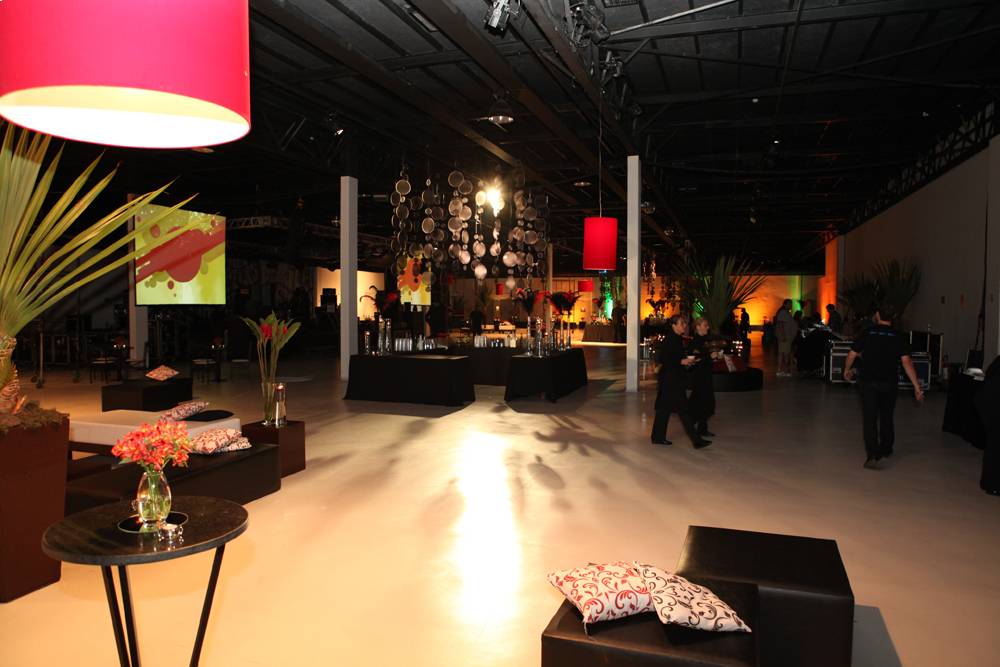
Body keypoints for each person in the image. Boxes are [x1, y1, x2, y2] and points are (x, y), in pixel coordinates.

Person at [843, 305, 924, 469]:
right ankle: (886, 448)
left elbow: (852, 353)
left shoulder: (868, 332)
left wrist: (847, 369)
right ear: (892, 317)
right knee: (887, 416)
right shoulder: (898, 336)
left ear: (878, 315)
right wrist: (916, 386)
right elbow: (907, 362)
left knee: (870, 418)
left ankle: (872, 455)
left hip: (868, 382)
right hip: (889, 383)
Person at [651, 314, 711, 449]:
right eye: (681, 323)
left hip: (672, 379)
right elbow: (663, 358)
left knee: (664, 409)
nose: (684, 326)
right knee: (683, 410)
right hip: (671, 380)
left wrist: (687, 361)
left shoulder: (677, 338)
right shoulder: (670, 339)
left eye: (685, 323)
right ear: (674, 325)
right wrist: (681, 361)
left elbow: (675, 357)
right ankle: (696, 441)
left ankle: (657, 437)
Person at [687, 317, 716, 438]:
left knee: (705, 401)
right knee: (702, 401)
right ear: (698, 327)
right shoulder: (695, 342)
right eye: (705, 325)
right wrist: (709, 357)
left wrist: (714, 357)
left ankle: (701, 427)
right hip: (699, 376)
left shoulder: (706, 340)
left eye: (707, 326)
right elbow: (694, 359)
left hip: (706, 375)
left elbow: (705, 356)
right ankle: (694, 424)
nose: (707, 328)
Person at [774, 299, 796, 377]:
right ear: (785, 304)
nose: (791, 305)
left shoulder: (786, 312)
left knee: (783, 353)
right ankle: (784, 370)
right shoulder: (783, 312)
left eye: (791, 304)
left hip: (786, 336)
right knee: (785, 353)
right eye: (789, 304)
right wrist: (783, 336)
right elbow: (780, 325)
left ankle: (781, 370)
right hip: (785, 337)